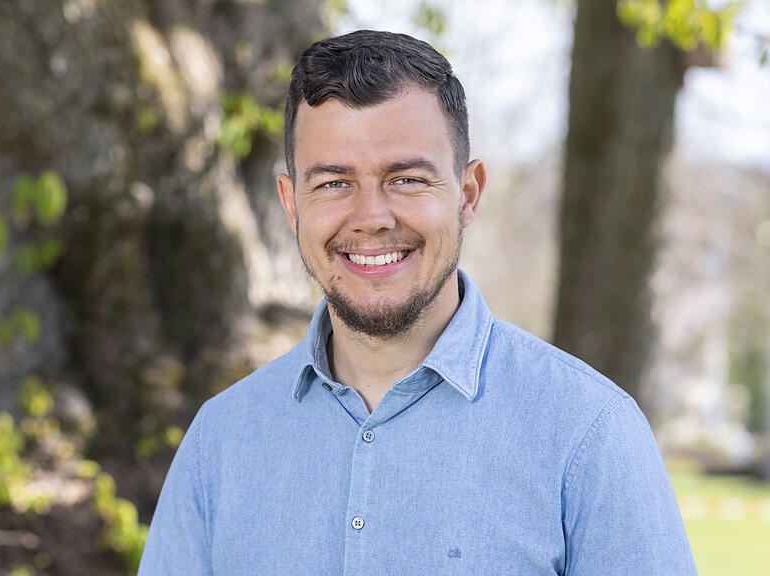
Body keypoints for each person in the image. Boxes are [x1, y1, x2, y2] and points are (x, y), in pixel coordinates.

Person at [138, 30, 698, 575]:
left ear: (467, 195)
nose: (371, 218)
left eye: (406, 179)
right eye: (333, 183)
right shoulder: (220, 441)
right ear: (291, 205)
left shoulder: (589, 433)